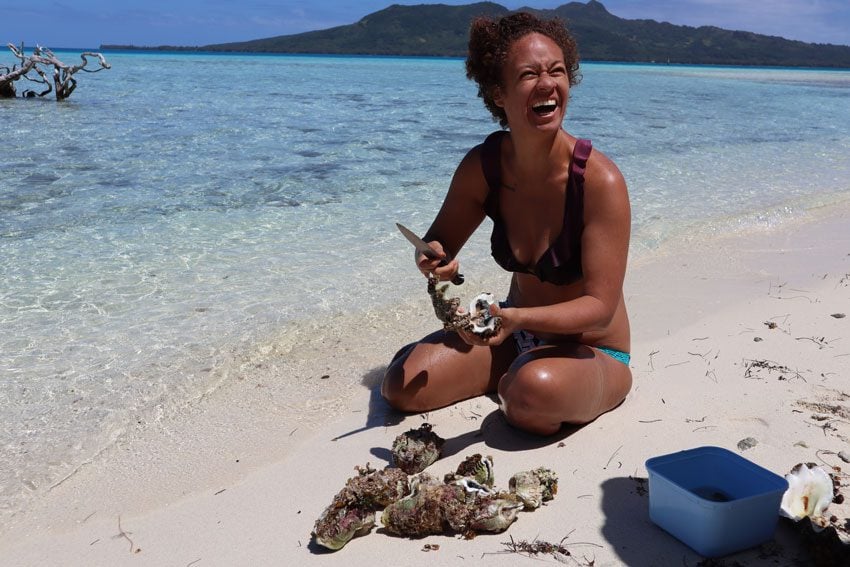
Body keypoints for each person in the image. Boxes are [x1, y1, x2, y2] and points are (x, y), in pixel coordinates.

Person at [382, 12, 632, 436]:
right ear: (498, 93)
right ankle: (518, 372)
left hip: (594, 350)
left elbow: (599, 307)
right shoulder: (484, 167)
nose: (548, 83)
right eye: (529, 74)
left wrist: (515, 318)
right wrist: (435, 260)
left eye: (557, 71)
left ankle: (528, 379)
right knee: (402, 387)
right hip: (513, 334)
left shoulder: (598, 181)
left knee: (527, 396)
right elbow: (440, 243)